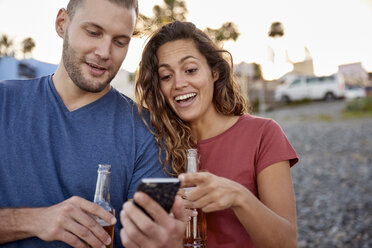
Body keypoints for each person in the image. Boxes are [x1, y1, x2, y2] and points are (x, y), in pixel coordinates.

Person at [0, 0, 184, 247]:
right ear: (62, 24)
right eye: (93, 32)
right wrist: (31, 220)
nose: (104, 52)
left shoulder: (146, 131)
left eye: (120, 41)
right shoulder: (4, 102)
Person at [132, 20, 299, 248]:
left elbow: (286, 243)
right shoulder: (155, 144)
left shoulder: (263, 134)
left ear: (215, 72)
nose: (179, 83)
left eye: (190, 70)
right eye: (166, 76)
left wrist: (238, 196)